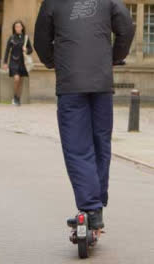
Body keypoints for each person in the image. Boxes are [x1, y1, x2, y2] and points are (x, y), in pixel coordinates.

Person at [34, 0, 134, 232]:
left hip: (70, 83)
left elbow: (40, 38)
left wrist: (52, 61)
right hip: (101, 81)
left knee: (78, 147)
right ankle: (96, 207)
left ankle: (91, 206)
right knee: (101, 143)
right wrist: (114, 57)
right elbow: (126, 27)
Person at [3, 20, 33, 106]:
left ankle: (18, 98)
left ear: (22, 27)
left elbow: (31, 50)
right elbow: (7, 51)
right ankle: (15, 96)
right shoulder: (11, 38)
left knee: (21, 81)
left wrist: (26, 50)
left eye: (19, 26)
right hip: (13, 61)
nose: (18, 28)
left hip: (23, 62)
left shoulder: (26, 38)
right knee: (16, 79)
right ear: (14, 28)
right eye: (16, 27)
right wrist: (5, 62)